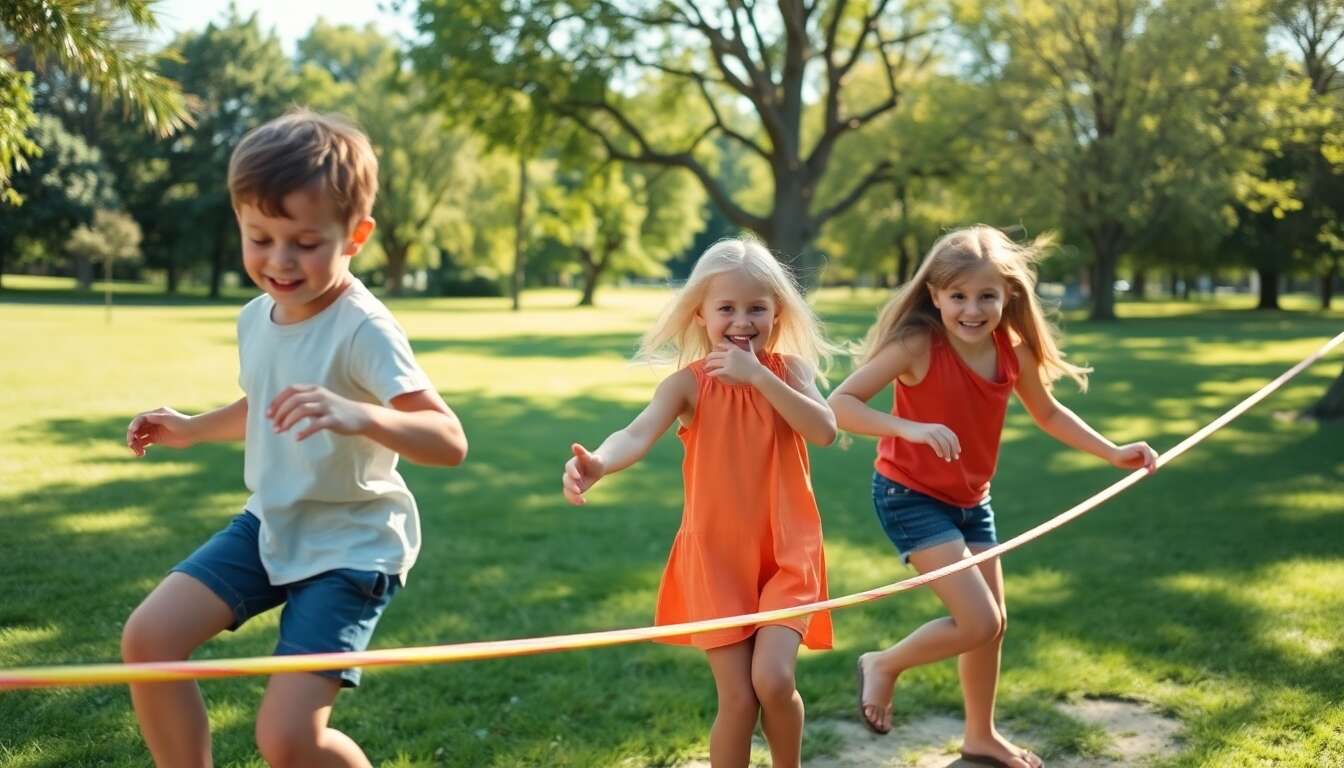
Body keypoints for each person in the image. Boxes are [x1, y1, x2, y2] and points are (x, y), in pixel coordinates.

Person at [120, 110, 468, 768]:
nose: (279, 261)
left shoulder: (363, 328)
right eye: (260, 237)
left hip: (351, 544)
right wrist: (192, 430)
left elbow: (447, 440)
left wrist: (359, 413)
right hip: (271, 521)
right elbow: (267, 403)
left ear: (355, 236)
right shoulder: (258, 316)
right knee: (149, 638)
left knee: (288, 740)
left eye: (305, 243)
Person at [830, 225, 1156, 768]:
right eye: (957, 296)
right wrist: (909, 429)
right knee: (979, 620)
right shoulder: (918, 345)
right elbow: (841, 404)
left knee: (992, 624)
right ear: (934, 296)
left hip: (971, 499)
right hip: (908, 495)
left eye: (986, 296)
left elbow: (1048, 412)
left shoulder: (1012, 351)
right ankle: (883, 664)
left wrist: (1111, 452)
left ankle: (980, 735)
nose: (972, 309)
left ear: (1008, 296)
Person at [562, 237, 837, 768]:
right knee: (737, 699)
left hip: (788, 551)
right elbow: (635, 433)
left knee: (774, 681)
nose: (742, 321)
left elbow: (823, 429)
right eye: (727, 308)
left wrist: (758, 377)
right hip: (715, 558)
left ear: (776, 313)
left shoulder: (790, 373)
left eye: (756, 307)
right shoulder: (686, 386)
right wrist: (598, 461)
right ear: (702, 315)